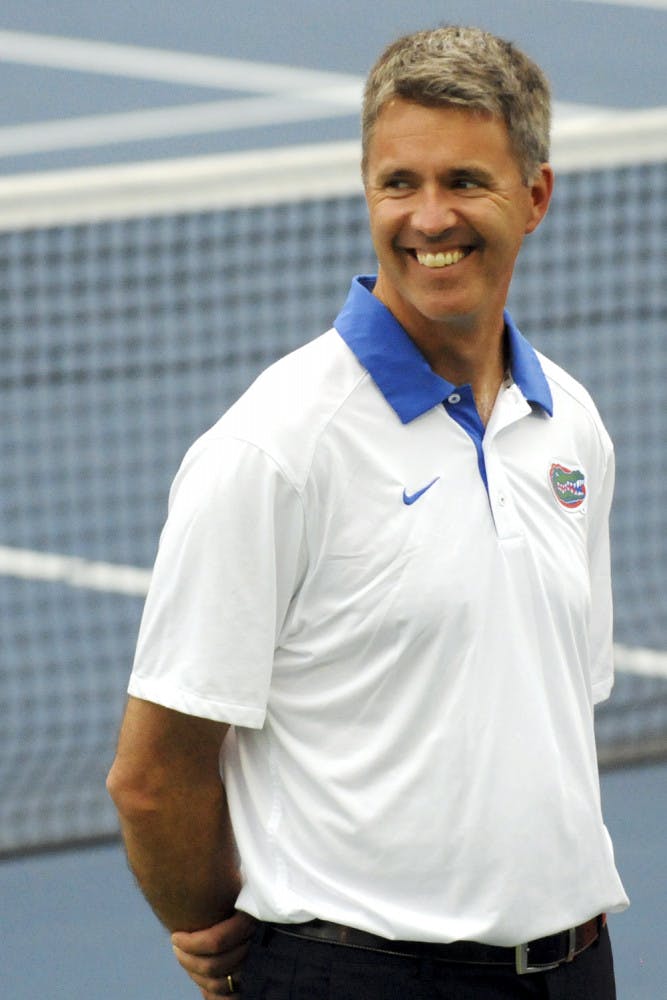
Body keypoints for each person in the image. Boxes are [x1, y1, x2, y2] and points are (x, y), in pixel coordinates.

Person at [107, 24, 629, 1000]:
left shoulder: (571, 428)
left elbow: (547, 708)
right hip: (356, 976)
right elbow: (151, 776)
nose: (429, 218)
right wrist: (218, 927)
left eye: (464, 181)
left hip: (572, 968)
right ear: (366, 192)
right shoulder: (274, 448)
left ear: (535, 195)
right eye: (399, 183)